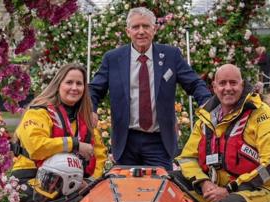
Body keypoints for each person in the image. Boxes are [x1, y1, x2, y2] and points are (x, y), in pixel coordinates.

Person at [90, 7, 211, 171]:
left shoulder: (171, 55)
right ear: (128, 31)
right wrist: (91, 110)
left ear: (154, 29)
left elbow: (195, 83)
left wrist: (206, 103)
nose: (141, 32)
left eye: (146, 26)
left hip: (159, 142)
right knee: (126, 192)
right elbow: (95, 89)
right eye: (136, 27)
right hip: (125, 142)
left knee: (160, 191)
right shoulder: (112, 59)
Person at [176, 64, 270, 202]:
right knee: (171, 182)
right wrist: (204, 183)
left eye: (233, 83)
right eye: (222, 83)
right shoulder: (206, 118)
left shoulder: (262, 116)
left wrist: (229, 190)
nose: (228, 88)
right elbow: (187, 158)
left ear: (242, 85)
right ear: (214, 87)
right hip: (216, 186)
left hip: (263, 189)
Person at [11, 63, 107, 202]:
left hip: (69, 185)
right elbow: (35, 147)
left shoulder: (86, 120)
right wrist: (75, 144)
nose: (74, 88)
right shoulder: (38, 112)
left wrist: (89, 182)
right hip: (31, 181)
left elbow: (99, 156)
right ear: (58, 84)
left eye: (79, 84)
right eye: (69, 82)